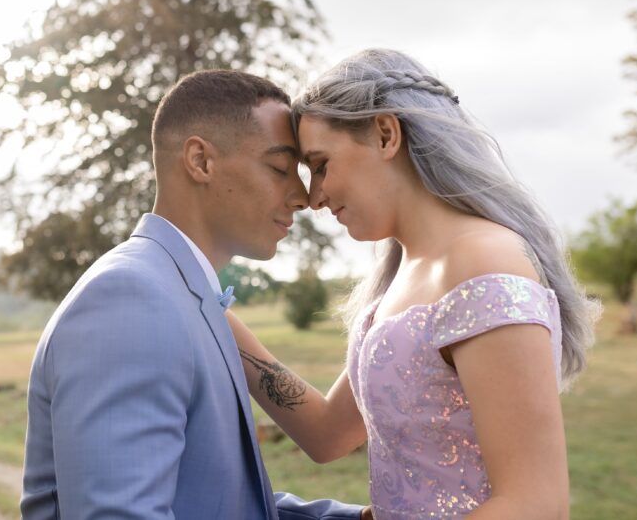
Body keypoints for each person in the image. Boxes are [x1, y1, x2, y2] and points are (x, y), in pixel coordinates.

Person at [227, 49, 599, 519]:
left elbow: (536, 505)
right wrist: (211, 307)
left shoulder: (482, 261)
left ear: (386, 134)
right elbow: (327, 433)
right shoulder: (404, 271)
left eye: (321, 164)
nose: (315, 197)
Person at [21, 70, 366, 519]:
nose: (302, 196)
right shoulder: (129, 300)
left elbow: (214, 502)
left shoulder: (186, 295)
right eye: (281, 168)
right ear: (201, 161)